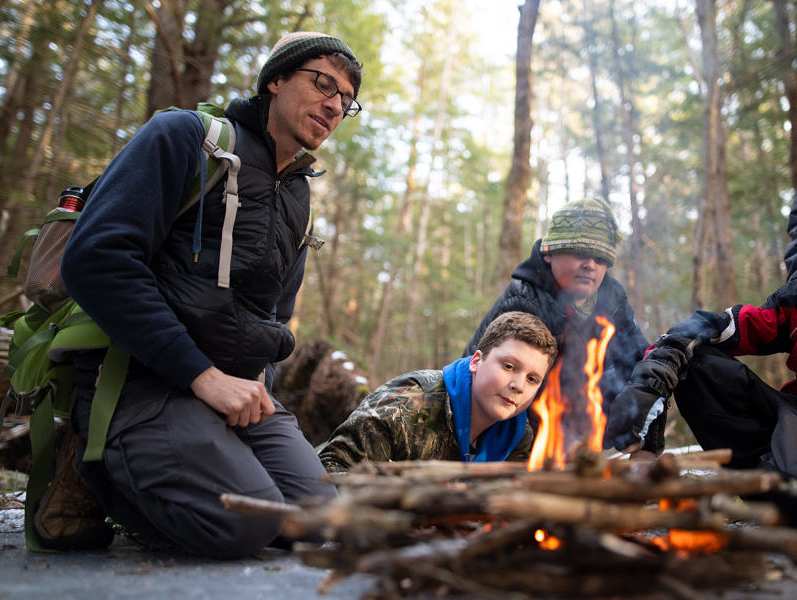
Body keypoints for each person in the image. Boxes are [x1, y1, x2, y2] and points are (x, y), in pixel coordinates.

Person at [38, 32, 363, 559]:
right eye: (323, 82)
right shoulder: (189, 138)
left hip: (235, 395)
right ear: (275, 80)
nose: (334, 104)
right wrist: (203, 377)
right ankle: (87, 468)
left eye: (347, 100)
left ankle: (202, 468)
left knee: (327, 522)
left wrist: (257, 381)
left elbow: (275, 316)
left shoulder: (298, 197)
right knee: (246, 526)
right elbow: (97, 260)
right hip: (142, 380)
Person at [463, 198, 652, 456]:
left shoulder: (612, 297)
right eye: (578, 253)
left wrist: (645, 433)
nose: (590, 265)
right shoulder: (525, 300)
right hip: (511, 424)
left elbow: (639, 358)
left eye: (600, 258)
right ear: (549, 253)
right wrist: (556, 449)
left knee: (661, 368)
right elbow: (514, 393)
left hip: (578, 416)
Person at [319, 311, 558, 472]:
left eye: (532, 379)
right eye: (508, 366)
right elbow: (333, 467)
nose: (518, 385)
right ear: (476, 362)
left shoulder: (519, 436)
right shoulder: (409, 403)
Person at [604, 285, 797, 478]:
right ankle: (767, 485)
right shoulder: (792, 301)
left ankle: (781, 490)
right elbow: (707, 328)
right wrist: (654, 380)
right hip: (789, 429)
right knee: (692, 357)